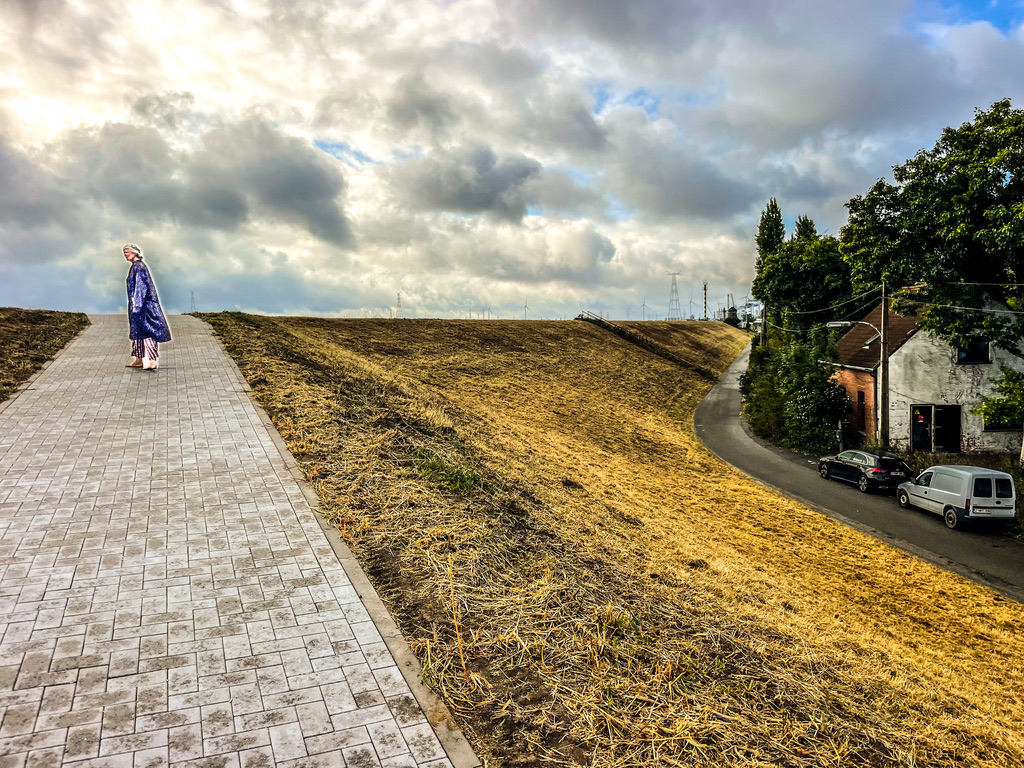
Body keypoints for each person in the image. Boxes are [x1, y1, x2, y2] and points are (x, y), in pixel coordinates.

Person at [123, 243, 171, 370]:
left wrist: (137, 306)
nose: (125, 255)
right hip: (138, 305)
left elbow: (141, 288)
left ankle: (153, 360)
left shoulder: (139, 267)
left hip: (144, 307)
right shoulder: (135, 267)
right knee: (137, 332)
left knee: (148, 332)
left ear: (134, 253)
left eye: (127, 252)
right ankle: (138, 359)